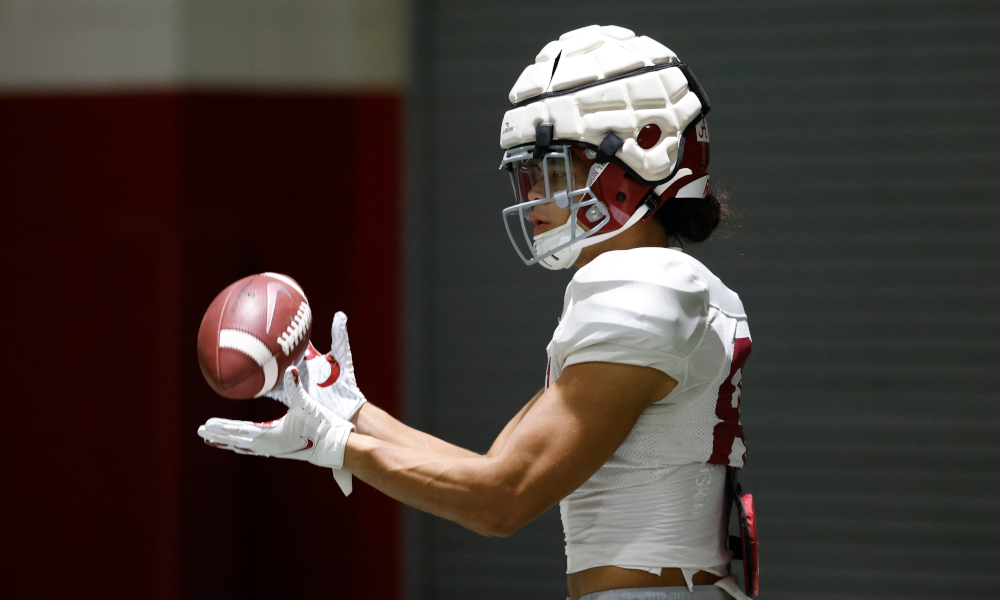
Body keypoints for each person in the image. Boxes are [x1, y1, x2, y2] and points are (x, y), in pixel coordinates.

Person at [199, 25, 754, 600]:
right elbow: (492, 465)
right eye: (530, 171)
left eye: (555, 169)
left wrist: (340, 448)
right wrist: (352, 412)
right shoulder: (664, 286)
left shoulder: (643, 291)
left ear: (644, 152)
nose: (533, 192)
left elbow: (499, 499)